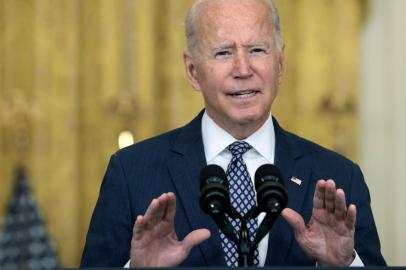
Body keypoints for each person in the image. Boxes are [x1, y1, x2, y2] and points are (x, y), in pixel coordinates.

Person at [80, 0, 386, 267]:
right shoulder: (131, 173)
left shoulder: (339, 176)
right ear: (192, 71)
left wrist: (344, 265)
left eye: (256, 50)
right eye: (224, 53)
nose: (242, 69)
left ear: (279, 63)